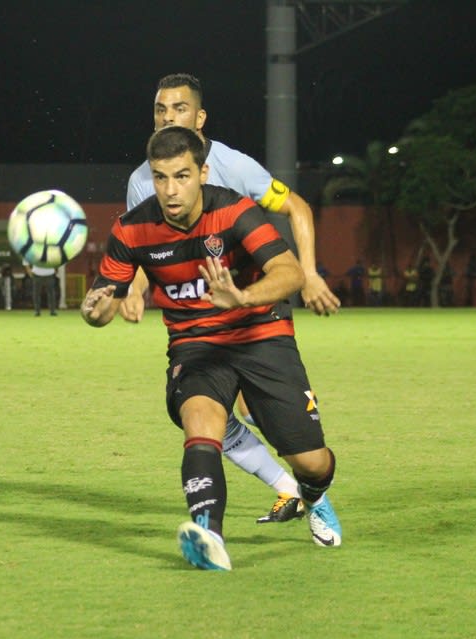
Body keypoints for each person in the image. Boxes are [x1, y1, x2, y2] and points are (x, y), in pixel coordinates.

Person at [81, 126, 343, 570]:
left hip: (262, 334)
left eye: (181, 176)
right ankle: (209, 536)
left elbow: (289, 272)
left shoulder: (235, 211)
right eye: (161, 178)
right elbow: (105, 302)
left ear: (202, 172)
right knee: (200, 420)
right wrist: (95, 309)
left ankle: (312, 496)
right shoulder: (131, 229)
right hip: (195, 345)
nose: (171, 189)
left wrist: (242, 297)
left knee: (313, 462)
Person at [121, 73, 341, 524]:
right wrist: (135, 291)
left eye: (178, 109)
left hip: (257, 312)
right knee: (203, 414)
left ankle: (304, 482)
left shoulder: (234, 166)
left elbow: (296, 206)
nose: (168, 118)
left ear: (199, 117)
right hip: (197, 323)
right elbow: (145, 249)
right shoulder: (144, 180)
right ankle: (282, 489)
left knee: (276, 428)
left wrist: (311, 273)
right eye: (160, 110)